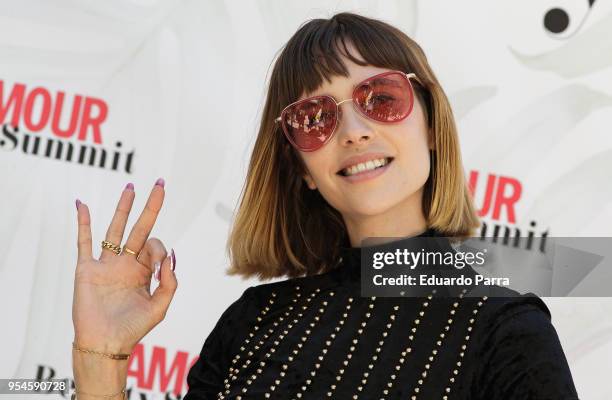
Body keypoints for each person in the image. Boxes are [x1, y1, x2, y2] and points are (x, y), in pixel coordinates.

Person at [71, 12, 579, 400]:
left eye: (381, 96)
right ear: (300, 170)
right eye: (313, 117)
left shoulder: (507, 331)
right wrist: (102, 358)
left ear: (431, 126)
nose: (354, 131)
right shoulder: (252, 324)